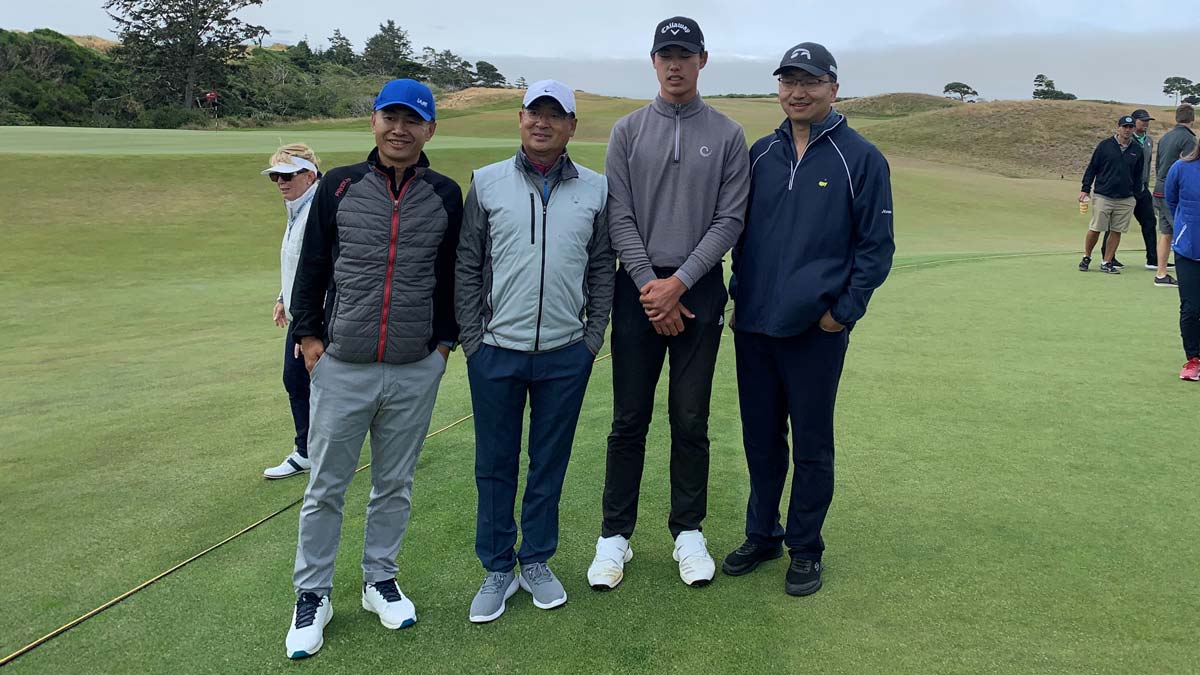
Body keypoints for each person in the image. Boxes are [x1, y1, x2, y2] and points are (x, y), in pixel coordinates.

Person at [283, 79, 462, 659]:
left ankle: (379, 580)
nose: (399, 129)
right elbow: (312, 267)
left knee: (394, 484)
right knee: (325, 487)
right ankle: (313, 594)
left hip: (414, 366)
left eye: (412, 120)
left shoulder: (444, 194)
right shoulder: (339, 185)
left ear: (430, 129)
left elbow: (451, 277)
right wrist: (309, 338)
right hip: (343, 364)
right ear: (375, 121)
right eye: (390, 117)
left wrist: (443, 346)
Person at [722, 42, 894, 597]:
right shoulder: (760, 154)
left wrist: (841, 314)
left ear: (833, 88)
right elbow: (741, 234)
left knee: (812, 445)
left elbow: (876, 248)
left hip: (815, 331)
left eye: (810, 82)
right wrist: (738, 295)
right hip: (754, 326)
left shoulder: (860, 157)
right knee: (761, 440)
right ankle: (762, 534)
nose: (797, 92)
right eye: (788, 81)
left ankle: (805, 548)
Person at [588, 15, 750, 590]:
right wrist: (651, 285)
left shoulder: (728, 134)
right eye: (666, 55)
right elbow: (619, 215)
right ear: (653, 61)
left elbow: (730, 219)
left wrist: (678, 283)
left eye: (685, 54)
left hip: (698, 287)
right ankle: (615, 536)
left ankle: (688, 531)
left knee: (690, 417)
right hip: (637, 287)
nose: (675, 64)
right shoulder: (628, 131)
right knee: (629, 418)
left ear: (702, 60)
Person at [456, 80, 615, 623]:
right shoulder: (487, 182)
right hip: (496, 350)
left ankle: (537, 560)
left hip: (566, 352)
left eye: (555, 115)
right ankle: (498, 566)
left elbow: (602, 266)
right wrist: (473, 340)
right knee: (494, 464)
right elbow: (468, 263)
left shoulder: (596, 188)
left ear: (572, 126)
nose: (542, 123)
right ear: (520, 119)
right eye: (534, 113)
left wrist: (592, 338)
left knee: (549, 462)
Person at [261, 144, 321, 479]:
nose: (280, 183)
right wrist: (283, 296)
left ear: (309, 176)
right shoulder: (297, 208)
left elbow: (321, 269)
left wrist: (311, 325)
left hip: (316, 317)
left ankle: (308, 452)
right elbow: (296, 262)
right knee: (301, 381)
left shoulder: (317, 211)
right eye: (275, 177)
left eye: (287, 175)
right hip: (302, 313)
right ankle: (312, 449)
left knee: (302, 380)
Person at [1079, 116, 1143, 274]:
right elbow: (1092, 168)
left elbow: (1138, 175)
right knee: (1096, 228)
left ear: (1134, 129)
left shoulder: (1137, 149)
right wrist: (1085, 188)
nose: (1127, 130)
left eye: (1130, 127)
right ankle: (1087, 256)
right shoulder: (1105, 146)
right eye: (1125, 126)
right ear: (1118, 128)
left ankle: (1107, 261)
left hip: (1126, 197)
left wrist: (1135, 195)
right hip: (1104, 194)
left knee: (1116, 230)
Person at [1164, 139, 1200, 380]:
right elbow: (1172, 200)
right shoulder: (1181, 168)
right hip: (1189, 249)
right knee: (1191, 308)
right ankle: (1193, 359)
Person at [1153, 105, 1197, 286]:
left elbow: (1158, 165)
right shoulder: (1189, 139)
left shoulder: (1165, 137)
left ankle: (1161, 274)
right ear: (1192, 119)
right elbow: (1189, 170)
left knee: (1166, 233)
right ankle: (1187, 275)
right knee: (1183, 233)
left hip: (1159, 188)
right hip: (1172, 193)